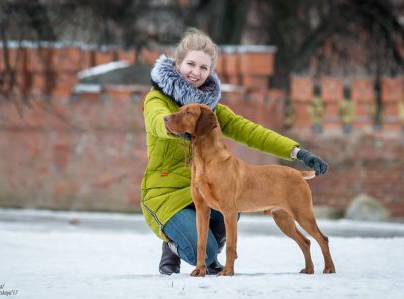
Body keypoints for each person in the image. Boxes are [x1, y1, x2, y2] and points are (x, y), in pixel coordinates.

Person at [141, 28, 328, 275]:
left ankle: (206, 250)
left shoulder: (209, 112)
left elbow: (252, 132)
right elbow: (157, 121)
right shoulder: (157, 100)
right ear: (177, 63)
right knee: (204, 254)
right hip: (166, 194)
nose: (196, 72)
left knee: (233, 202)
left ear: (210, 72)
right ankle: (173, 247)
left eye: (204, 68)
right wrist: (177, 126)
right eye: (190, 64)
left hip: (207, 187)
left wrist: (297, 152)